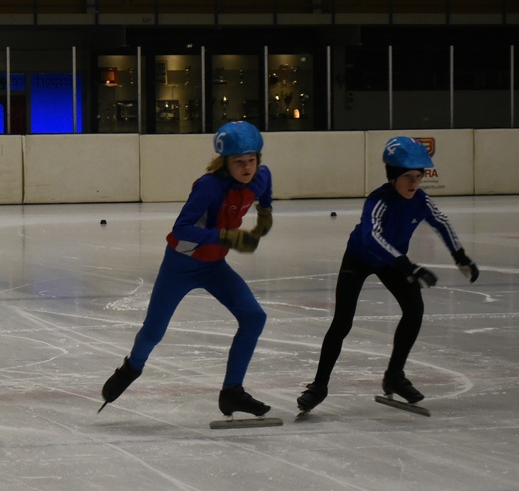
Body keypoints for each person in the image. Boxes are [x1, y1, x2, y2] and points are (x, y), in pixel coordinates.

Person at [101, 120, 274, 418]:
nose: (247, 167)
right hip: (180, 266)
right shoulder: (209, 187)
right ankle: (131, 368)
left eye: (251, 160)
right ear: (225, 161)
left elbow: (266, 181)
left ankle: (232, 392)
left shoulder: (260, 176)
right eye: (238, 162)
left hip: (214, 266)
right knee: (153, 332)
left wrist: (265, 211)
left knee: (254, 317)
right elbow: (182, 228)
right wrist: (226, 237)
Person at [296, 136, 479, 414]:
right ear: (393, 177)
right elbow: (372, 238)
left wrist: (461, 256)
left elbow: (441, 222)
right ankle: (319, 386)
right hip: (360, 258)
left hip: (392, 261)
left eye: (418, 176)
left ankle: (394, 375)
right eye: (407, 177)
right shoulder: (378, 201)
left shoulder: (421, 200)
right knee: (342, 322)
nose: (414, 183)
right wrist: (408, 266)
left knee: (414, 309)